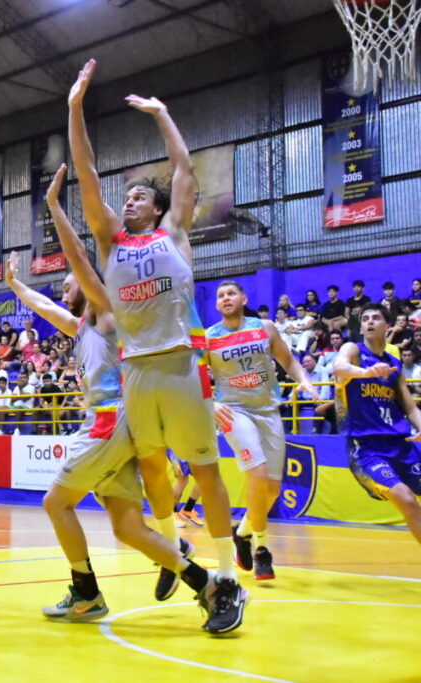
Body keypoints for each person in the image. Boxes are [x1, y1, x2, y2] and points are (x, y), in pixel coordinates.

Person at [3, 166, 239, 633]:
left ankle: (86, 593)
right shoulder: (86, 325)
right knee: (127, 528)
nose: (66, 287)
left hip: (111, 422)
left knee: (55, 503)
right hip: (122, 425)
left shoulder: (110, 311)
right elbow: (50, 309)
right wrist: (16, 287)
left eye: (69, 283)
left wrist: (54, 210)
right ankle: (207, 585)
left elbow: (83, 263)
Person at [68, 59, 246, 616]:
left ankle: (223, 574)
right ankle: (174, 556)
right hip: (137, 370)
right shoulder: (109, 242)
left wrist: (163, 114)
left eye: (140, 197)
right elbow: (87, 172)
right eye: (128, 198)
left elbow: (184, 169)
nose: (130, 201)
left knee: (206, 471)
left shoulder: (175, 234)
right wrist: (75, 106)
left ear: (160, 207)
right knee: (151, 469)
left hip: (181, 365)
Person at [207, 281, 319, 581]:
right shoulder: (209, 338)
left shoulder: (265, 327)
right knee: (256, 474)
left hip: (268, 409)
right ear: (217, 305)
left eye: (231, 293)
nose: (225, 298)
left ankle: (241, 533)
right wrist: (210, 404)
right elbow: (194, 378)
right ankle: (261, 549)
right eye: (220, 296)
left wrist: (304, 381)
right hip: (233, 411)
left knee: (270, 488)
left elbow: (288, 360)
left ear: (243, 299)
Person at [333, 303, 421, 545]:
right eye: (365, 319)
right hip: (367, 450)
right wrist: (366, 373)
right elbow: (338, 368)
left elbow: (410, 406)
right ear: (360, 327)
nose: (369, 322)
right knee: (406, 499)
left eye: (376, 318)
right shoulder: (353, 350)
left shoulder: (394, 363)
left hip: (401, 445)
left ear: (388, 326)